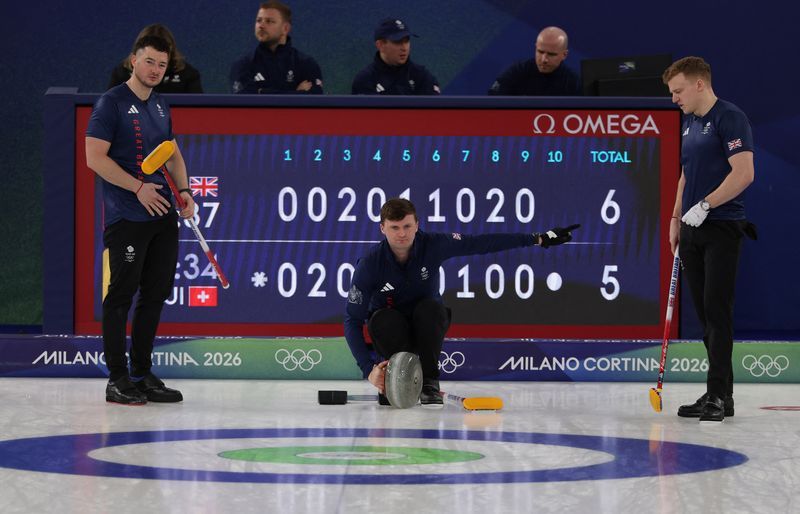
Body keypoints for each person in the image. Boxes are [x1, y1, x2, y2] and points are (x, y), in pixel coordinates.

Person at [344, 198, 578, 407]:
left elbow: (480, 243)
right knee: (383, 318)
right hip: (391, 334)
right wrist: (369, 370)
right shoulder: (370, 264)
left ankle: (429, 384)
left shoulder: (434, 244)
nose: (402, 233)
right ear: (382, 228)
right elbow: (352, 320)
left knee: (431, 309)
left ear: (417, 224)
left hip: (426, 328)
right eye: (394, 227)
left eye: (407, 226)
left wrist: (538, 238)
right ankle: (393, 379)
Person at [86, 34, 195, 405]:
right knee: (120, 296)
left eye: (162, 65)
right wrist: (137, 188)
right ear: (134, 60)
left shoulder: (161, 106)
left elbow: (173, 154)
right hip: (128, 216)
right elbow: (95, 158)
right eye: (149, 62)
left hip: (163, 215)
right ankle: (116, 378)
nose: (155, 70)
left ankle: (141, 373)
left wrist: (185, 191)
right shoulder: (110, 103)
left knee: (155, 295)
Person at [663, 56, 756, 422]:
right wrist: (675, 218)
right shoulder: (689, 124)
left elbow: (744, 173)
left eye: (678, 91)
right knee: (705, 317)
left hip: (721, 228)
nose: (674, 99)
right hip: (690, 229)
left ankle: (718, 394)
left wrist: (705, 205)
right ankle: (720, 394)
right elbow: (685, 174)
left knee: (718, 313)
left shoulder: (729, 117)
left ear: (699, 84)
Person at [230, 1, 323, 94]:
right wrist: (296, 93)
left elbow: (315, 101)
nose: (261, 26)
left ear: (285, 28)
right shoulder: (243, 65)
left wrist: (260, 92)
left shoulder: (306, 64)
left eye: (269, 21)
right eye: (258, 20)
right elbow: (245, 99)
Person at [351, 18, 440, 95]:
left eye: (407, 41)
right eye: (398, 42)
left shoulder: (421, 75)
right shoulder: (366, 80)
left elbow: (434, 112)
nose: (404, 48)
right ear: (380, 45)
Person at [108, 24, 203, 93]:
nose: (155, 71)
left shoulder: (188, 74)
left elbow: (198, 110)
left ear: (171, 50)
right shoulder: (121, 72)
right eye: (149, 61)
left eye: (162, 48)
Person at [488, 26, 580, 96]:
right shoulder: (517, 72)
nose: (544, 60)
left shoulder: (574, 82)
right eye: (540, 52)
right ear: (536, 47)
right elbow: (492, 100)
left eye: (551, 54)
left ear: (564, 55)